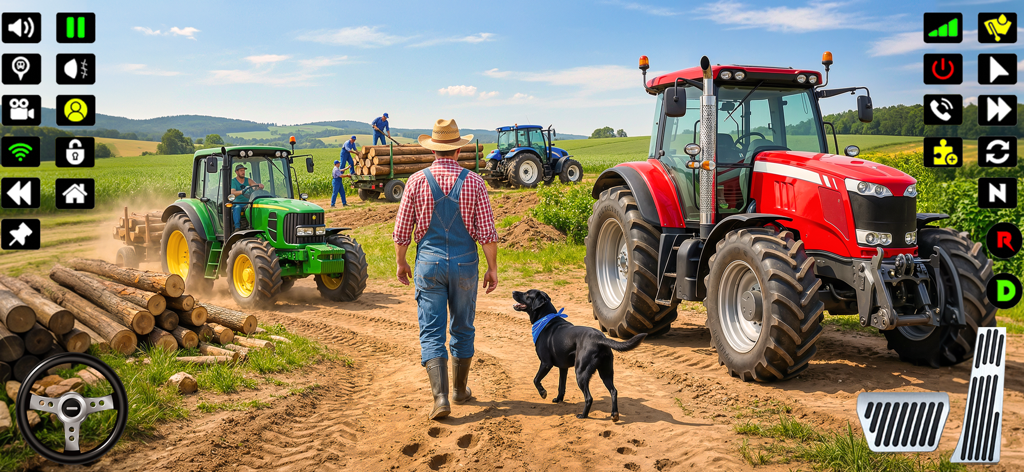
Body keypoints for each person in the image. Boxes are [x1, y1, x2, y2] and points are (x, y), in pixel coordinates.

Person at [394, 118, 498, 420]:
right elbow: (488, 233)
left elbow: (402, 231)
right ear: (457, 150)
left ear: (433, 151)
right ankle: (459, 390)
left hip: (429, 263)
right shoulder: (475, 182)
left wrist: (401, 262)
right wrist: (492, 269)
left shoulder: (415, 181)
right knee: (463, 326)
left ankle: (440, 399)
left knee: (431, 331)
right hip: (465, 264)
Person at [230, 164, 263, 228]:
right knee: (236, 208)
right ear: (236, 172)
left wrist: (259, 186)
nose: (243, 172)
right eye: (241, 170)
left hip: (249, 202)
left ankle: (256, 226)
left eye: (244, 170)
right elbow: (232, 192)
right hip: (238, 203)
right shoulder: (233, 181)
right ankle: (237, 227)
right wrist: (241, 191)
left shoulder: (248, 180)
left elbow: (254, 186)